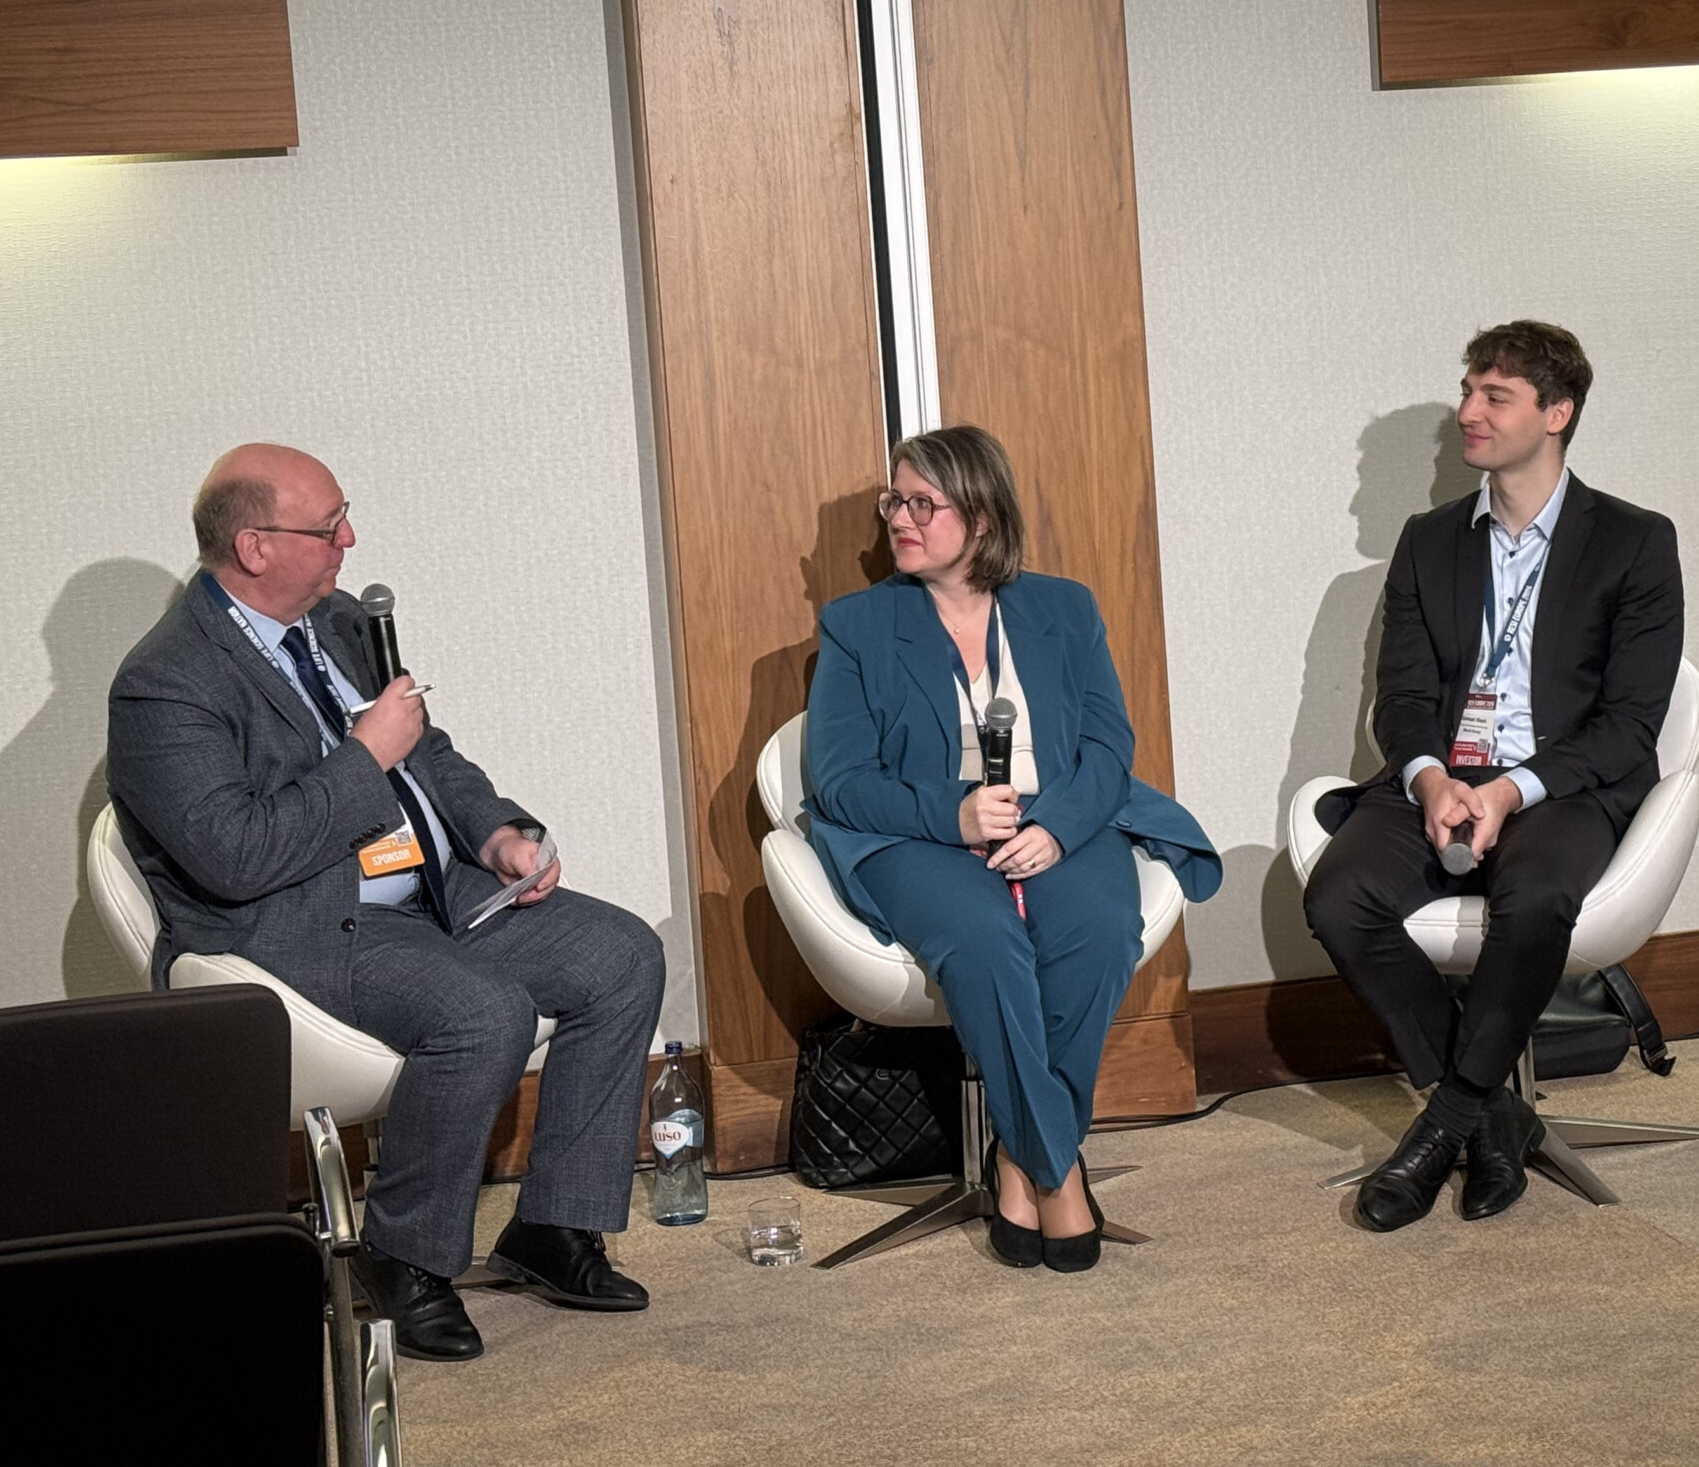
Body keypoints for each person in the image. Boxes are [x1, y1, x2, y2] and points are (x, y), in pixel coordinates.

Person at [107, 445, 666, 1359]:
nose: (350, 540)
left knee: (622, 954)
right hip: (296, 924)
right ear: (254, 546)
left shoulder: (332, 622)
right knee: (484, 1011)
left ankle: (553, 1226)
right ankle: (403, 1259)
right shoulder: (165, 682)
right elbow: (238, 857)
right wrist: (366, 754)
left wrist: (495, 832)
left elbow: (428, 750)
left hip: (424, 891)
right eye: (328, 527)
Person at [803, 425, 1220, 1273]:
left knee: (1099, 933)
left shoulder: (1065, 608)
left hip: (1057, 815)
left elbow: (1107, 746)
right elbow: (840, 781)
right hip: (919, 831)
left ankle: (1016, 1156)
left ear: (984, 517)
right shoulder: (857, 624)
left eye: (923, 504)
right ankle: (1055, 1168)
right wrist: (953, 815)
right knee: (985, 943)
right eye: (894, 501)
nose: (899, 519)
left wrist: (1057, 828)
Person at [1303, 321, 1683, 1231]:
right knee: (1339, 898)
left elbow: (1630, 725)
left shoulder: (1634, 541)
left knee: (1538, 894)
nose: (1468, 412)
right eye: (1468, 390)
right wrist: (1431, 780)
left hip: (1561, 787)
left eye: (1494, 396)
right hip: (1445, 776)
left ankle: (1446, 1123)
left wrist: (1513, 790)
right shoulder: (1430, 541)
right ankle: (1491, 1114)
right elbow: (1401, 697)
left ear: (1557, 413)